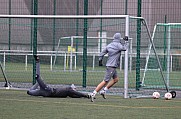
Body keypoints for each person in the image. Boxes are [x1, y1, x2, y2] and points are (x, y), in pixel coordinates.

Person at [89, 33, 129, 102]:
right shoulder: (118, 45)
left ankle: (104, 91)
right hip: (112, 66)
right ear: (119, 38)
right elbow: (124, 48)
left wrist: (100, 60)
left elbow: (101, 53)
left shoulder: (109, 45)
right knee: (105, 81)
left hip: (110, 65)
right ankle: (93, 93)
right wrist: (126, 42)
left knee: (115, 79)